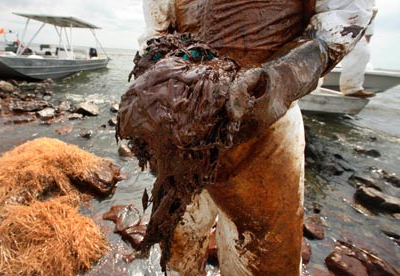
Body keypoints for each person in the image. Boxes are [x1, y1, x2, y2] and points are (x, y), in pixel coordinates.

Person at [133, 0, 374, 275]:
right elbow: (157, 30)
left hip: (265, 132)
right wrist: (156, 69)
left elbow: (345, 14)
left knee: (264, 257)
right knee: (179, 242)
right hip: (185, 131)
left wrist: (281, 76)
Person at [339, 0, 378, 98]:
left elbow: (371, 7)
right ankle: (310, 89)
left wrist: (368, 32)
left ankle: (352, 89)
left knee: (362, 52)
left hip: (356, 23)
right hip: (331, 16)